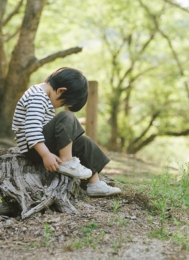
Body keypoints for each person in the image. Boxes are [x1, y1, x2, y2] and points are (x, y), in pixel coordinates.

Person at [12, 67, 121, 197]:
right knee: (66, 116)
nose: (57, 106)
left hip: (44, 144)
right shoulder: (37, 96)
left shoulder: (44, 96)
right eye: (62, 103)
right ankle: (67, 162)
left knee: (84, 142)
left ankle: (94, 183)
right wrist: (45, 154)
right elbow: (31, 129)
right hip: (34, 149)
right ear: (60, 91)